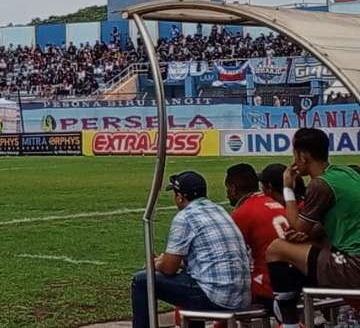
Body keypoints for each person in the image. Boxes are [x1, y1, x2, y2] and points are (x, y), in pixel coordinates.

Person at [266, 128, 360, 328]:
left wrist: (288, 188)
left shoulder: (320, 185)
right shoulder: (346, 172)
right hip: (351, 255)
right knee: (307, 243)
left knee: (277, 248)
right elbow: (334, 220)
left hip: (354, 266)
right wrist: (308, 233)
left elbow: (296, 225)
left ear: (303, 156)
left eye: (295, 155)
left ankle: (289, 320)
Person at [130, 171, 250, 328]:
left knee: (141, 281)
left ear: (180, 197)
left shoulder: (185, 216)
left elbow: (169, 268)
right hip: (241, 295)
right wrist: (163, 260)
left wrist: (154, 264)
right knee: (190, 283)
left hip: (217, 296)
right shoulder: (219, 210)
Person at [226, 163, 287, 310]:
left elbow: (230, 257)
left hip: (267, 285)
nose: (227, 194)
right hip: (292, 279)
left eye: (227, 189)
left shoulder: (243, 213)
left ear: (233, 188)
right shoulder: (275, 203)